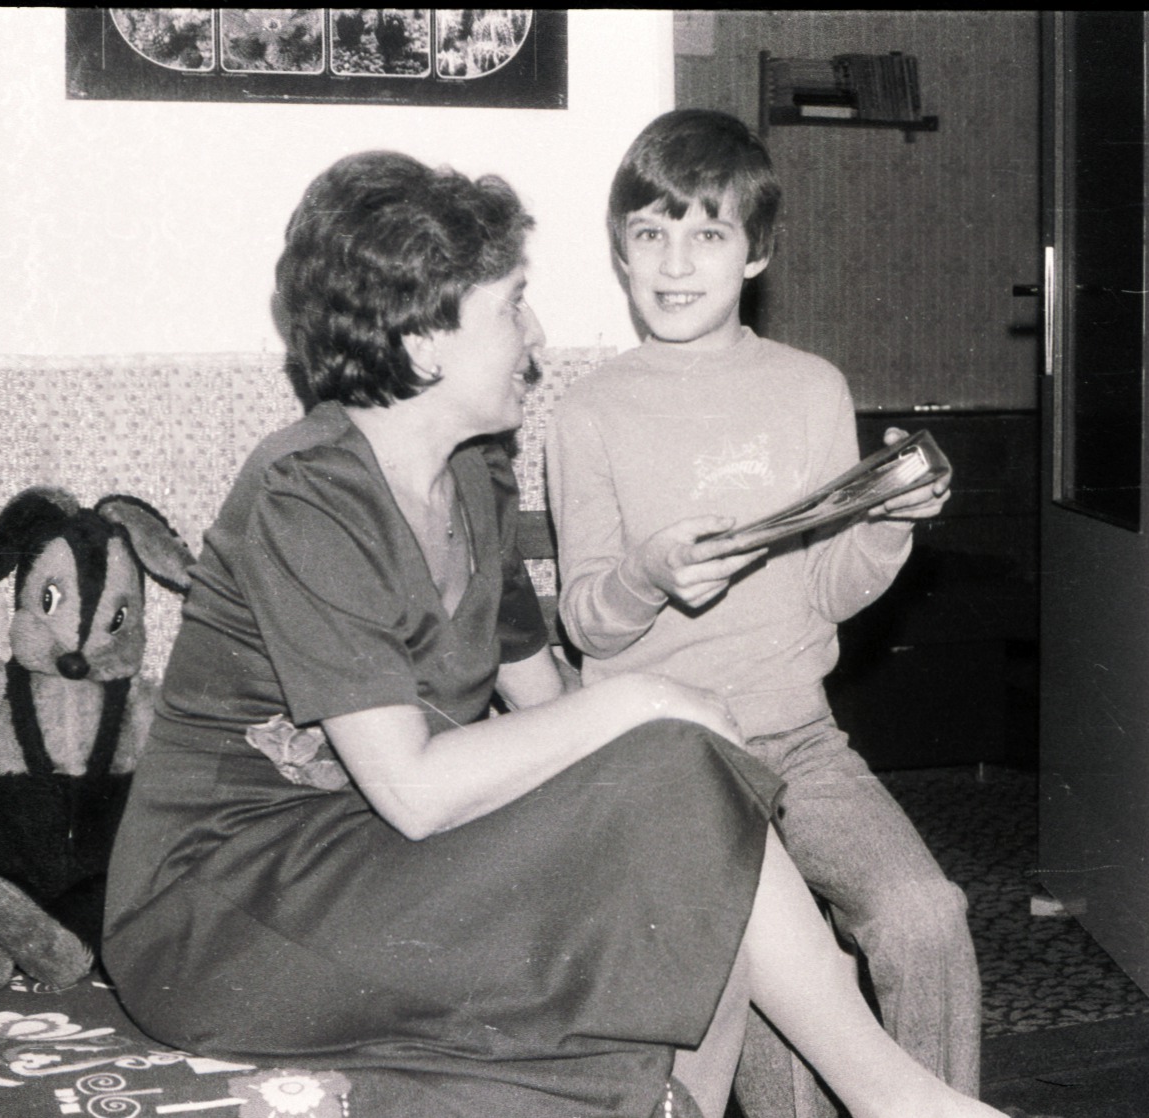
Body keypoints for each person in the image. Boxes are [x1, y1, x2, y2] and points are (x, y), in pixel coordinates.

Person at [101, 150, 1013, 1118]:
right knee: (667, 761)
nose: (536, 336)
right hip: (227, 911)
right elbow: (414, 789)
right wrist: (652, 698)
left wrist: (685, 776)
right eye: (512, 307)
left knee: (676, 803)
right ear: (423, 341)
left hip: (364, 864)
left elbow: (551, 710)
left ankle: (852, 1098)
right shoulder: (308, 492)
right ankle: (898, 1099)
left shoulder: (473, 474)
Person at [546, 110, 980, 1118]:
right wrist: (648, 575)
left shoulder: (811, 388)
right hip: (673, 763)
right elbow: (588, 625)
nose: (675, 262)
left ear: (757, 252)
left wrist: (889, 525)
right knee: (781, 984)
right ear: (620, 250)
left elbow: (826, 589)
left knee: (926, 915)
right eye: (651, 232)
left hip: (801, 738)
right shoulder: (590, 411)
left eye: (707, 233)